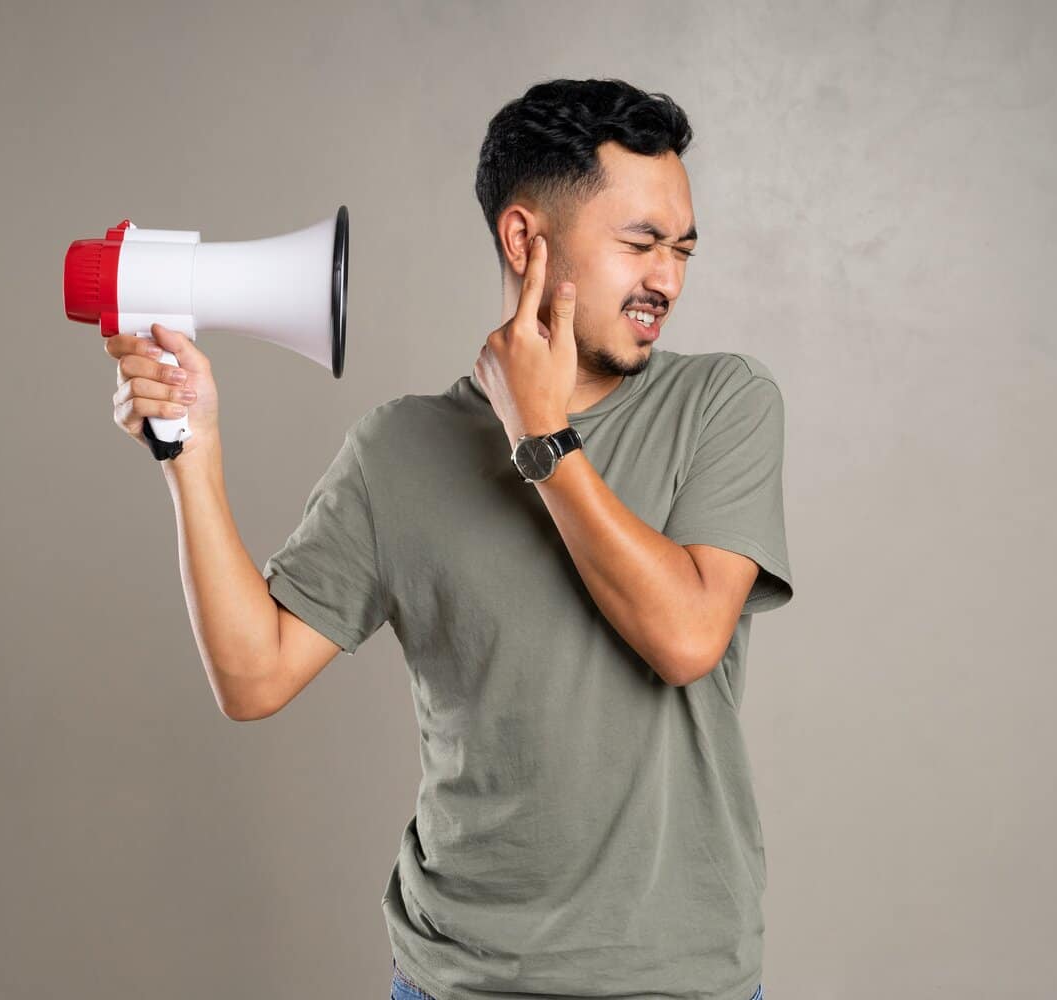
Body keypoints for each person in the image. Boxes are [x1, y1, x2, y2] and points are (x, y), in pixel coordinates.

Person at [106, 78, 792, 1000]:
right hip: (455, 979)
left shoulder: (723, 402)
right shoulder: (402, 447)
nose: (666, 278)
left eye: (681, 249)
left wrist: (540, 438)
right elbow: (252, 674)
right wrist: (190, 448)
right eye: (639, 243)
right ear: (524, 238)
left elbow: (684, 637)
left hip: (680, 981)